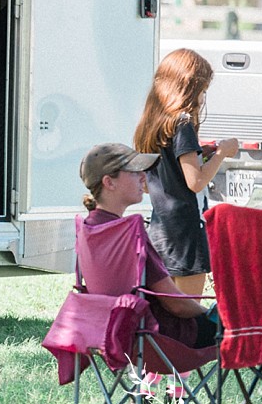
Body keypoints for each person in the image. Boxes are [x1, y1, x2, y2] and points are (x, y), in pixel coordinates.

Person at [79, 142, 217, 350]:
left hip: (109, 332)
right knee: (257, 328)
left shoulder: (89, 227)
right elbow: (176, 305)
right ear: (109, 182)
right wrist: (213, 314)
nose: (143, 177)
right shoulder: (128, 233)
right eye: (134, 172)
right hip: (157, 335)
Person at [132, 48, 239, 297]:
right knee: (190, 309)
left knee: (165, 308)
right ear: (188, 88)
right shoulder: (183, 124)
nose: (203, 98)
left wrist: (200, 155)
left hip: (160, 229)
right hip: (186, 231)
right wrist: (222, 153)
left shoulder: (152, 123)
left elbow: (148, 183)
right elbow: (195, 182)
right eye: (202, 90)